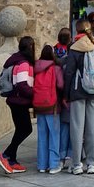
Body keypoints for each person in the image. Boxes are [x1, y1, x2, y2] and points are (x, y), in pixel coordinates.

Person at [62, 18, 94, 175]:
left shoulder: (75, 48)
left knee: (77, 127)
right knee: (93, 127)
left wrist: (65, 95)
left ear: (77, 30)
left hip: (78, 91)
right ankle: (92, 163)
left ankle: (77, 163)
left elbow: (69, 72)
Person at [0, 35, 35, 175]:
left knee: (20, 129)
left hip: (15, 101)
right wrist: (35, 94)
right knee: (25, 129)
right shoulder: (23, 63)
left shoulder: (15, 60)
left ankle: (12, 160)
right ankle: (6, 155)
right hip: (19, 101)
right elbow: (22, 85)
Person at [32, 45, 63, 174]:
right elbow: (61, 85)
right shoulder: (55, 68)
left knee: (42, 136)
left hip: (39, 107)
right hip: (52, 106)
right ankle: (54, 164)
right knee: (54, 136)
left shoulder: (36, 68)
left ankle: (42, 164)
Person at [53, 27, 72, 168]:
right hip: (70, 94)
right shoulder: (71, 55)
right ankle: (72, 153)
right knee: (74, 125)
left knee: (63, 125)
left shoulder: (54, 50)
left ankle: (61, 153)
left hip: (58, 93)